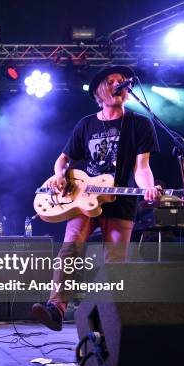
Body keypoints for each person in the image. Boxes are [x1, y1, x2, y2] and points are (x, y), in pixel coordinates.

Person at [32, 66, 161, 331]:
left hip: (121, 200)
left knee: (115, 262)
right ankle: (56, 308)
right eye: (111, 81)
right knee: (71, 247)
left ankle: (107, 322)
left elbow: (142, 168)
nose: (118, 84)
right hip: (83, 196)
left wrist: (148, 188)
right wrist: (59, 175)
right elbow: (63, 159)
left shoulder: (139, 123)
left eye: (122, 81)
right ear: (100, 91)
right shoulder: (86, 124)